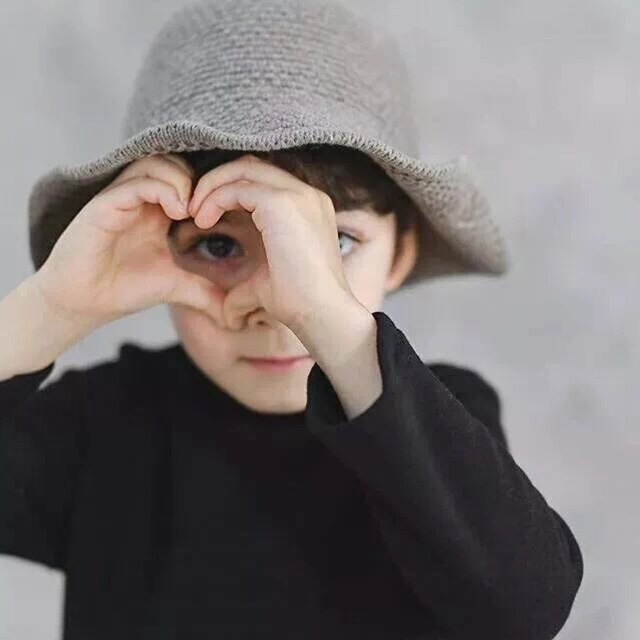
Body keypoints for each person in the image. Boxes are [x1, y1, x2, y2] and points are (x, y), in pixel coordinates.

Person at [0, 0, 583, 638]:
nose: (279, 304)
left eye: (333, 244)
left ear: (400, 253)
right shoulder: (104, 422)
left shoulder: (441, 425)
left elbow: (525, 608)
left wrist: (335, 322)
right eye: (217, 245)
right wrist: (50, 309)